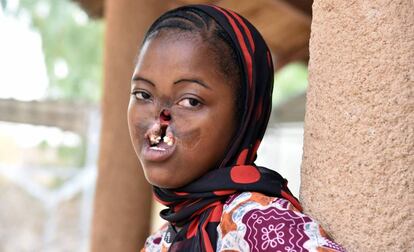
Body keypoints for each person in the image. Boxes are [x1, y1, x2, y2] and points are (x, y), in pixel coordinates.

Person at [128, 4, 346, 252]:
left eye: (190, 101)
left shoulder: (262, 227)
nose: (160, 120)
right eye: (143, 94)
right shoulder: (160, 242)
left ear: (244, 116)